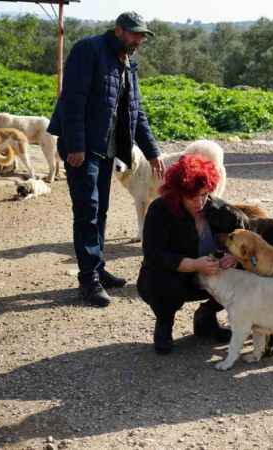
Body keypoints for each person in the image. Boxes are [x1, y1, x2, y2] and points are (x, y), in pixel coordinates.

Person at [48, 12, 165, 307]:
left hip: (106, 149)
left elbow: (136, 113)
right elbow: (72, 100)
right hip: (82, 148)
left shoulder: (127, 63)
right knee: (87, 210)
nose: (139, 40)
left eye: (142, 35)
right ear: (118, 30)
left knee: (99, 211)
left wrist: (152, 152)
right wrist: (75, 145)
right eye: (135, 34)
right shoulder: (88, 50)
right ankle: (88, 281)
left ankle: (97, 268)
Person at [136, 155, 238, 355]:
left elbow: (245, 236)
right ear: (178, 193)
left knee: (247, 269)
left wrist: (233, 256)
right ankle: (164, 324)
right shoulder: (159, 210)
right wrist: (194, 264)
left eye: (205, 195)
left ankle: (206, 316)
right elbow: (153, 255)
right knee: (159, 278)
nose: (200, 202)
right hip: (177, 278)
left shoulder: (221, 210)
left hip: (213, 275)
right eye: (193, 197)